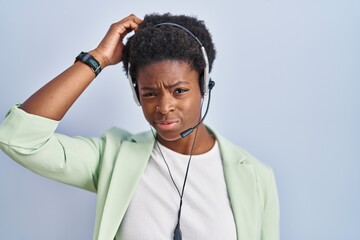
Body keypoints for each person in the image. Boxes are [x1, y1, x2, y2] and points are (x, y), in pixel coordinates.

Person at [0, 13, 279, 240]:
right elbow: (19, 138)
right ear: (136, 94)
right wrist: (97, 58)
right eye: (149, 93)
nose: (163, 106)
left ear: (204, 85)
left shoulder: (255, 176)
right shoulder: (113, 157)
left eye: (179, 90)